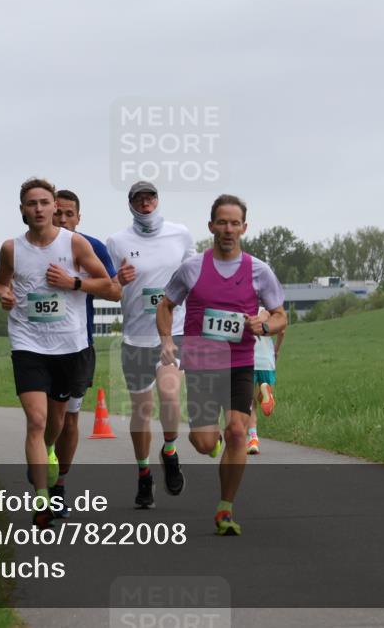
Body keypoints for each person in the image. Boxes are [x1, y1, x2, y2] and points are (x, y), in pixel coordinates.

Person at [158, 194, 286, 535]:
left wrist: (265, 325)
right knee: (204, 443)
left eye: (235, 223)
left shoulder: (259, 271)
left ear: (244, 228)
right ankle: (211, 442)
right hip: (201, 362)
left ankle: (225, 509)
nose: (228, 229)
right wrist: (168, 340)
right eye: (222, 222)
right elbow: (165, 305)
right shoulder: (192, 268)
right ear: (211, 225)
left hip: (240, 361)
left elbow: (280, 316)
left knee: (237, 432)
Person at [0, 178, 113, 528]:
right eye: (32, 203)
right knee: (37, 420)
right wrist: (4, 294)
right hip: (28, 342)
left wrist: (73, 283)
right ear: (22, 210)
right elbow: (1, 281)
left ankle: (46, 455)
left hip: (70, 345)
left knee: (58, 421)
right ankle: (42, 499)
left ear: (53, 207)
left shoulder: (74, 244)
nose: (40, 209)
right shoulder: (11, 249)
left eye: (45, 202)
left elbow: (110, 287)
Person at [106, 181, 196, 509]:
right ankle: (144, 474)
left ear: (158, 201)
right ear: (131, 204)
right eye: (139, 200)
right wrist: (118, 280)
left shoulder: (181, 234)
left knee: (170, 398)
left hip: (173, 333)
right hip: (136, 337)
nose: (146, 204)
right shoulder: (116, 242)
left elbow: (194, 276)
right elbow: (109, 287)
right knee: (142, 411)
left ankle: (169, 451)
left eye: (150, 198)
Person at [51, 189, 122, 516]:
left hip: (78, 344)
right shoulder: (27, 246)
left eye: (69, 214)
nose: (62, 219)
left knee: (69, 419)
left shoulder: (92, 247)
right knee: (44, 418)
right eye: (58, 213)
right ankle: (42, 468)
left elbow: (113, 291)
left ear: (79, 218)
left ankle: (59, 484)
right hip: (37, 347)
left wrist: (74, 283)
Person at [247, 306, 284, 455]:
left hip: (248, 360)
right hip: (266, 361)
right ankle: (265, 390)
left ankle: (253, 439)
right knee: (264, 401)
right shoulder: (269, 312)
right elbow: (282, 331)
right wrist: (277, 349)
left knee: (251, 404)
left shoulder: (245, 312)